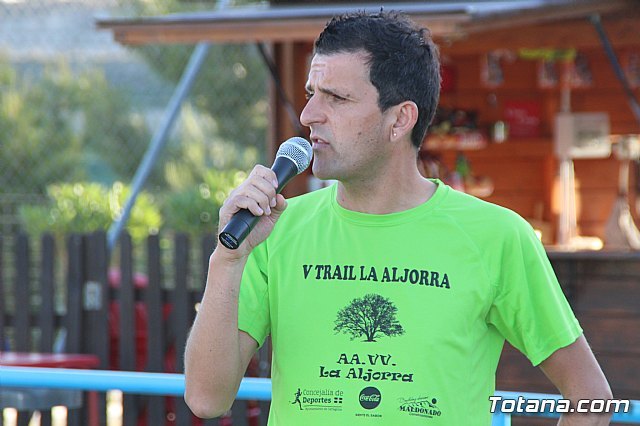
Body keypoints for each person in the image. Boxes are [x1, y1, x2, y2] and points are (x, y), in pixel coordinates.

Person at [184, 10, 612, 425]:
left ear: (400, 119)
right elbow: (206, 399)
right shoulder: (272, 230)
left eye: (336, 98)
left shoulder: (497, 236)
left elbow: (590, 395)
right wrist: (227, 260)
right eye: (312, 93)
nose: (308, 115)